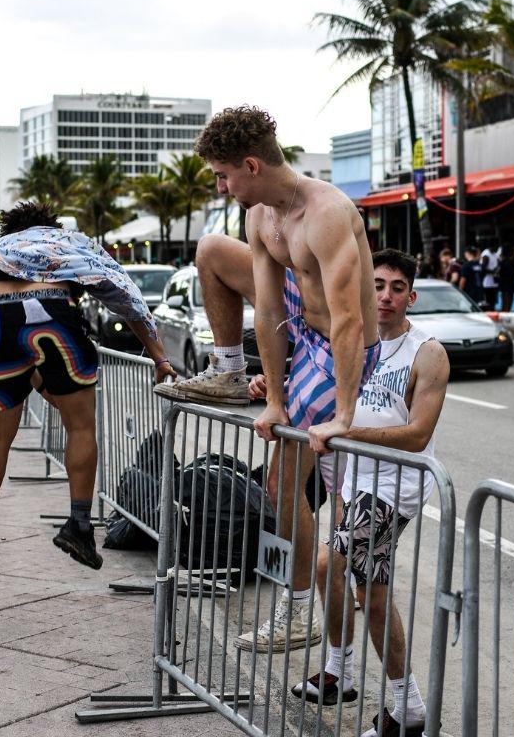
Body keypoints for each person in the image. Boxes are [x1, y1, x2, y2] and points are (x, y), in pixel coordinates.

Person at [154, 106, 380, 649]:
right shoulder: (260, 217)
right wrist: (275, 399)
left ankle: (303, 610)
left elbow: (350, 320)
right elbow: (272, 312)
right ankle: (228, 370)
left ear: (251, 165)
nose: (220, 185)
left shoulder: (326, 213)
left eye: (223, 175)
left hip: (343, 348)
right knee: (210, 250)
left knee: (302, 487)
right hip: (303, 334)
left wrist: (344, 415)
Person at [0, 201, 176, 576]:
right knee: (81, 427)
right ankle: (79, 527)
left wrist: (36, 378)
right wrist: (159, 357)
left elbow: (18, 331)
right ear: (52, 227)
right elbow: (126, 297)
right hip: (53, 309)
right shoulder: (69, 242)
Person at [281, 249, 450, 737]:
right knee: (354, 585)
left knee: (352, 583)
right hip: (354, 483)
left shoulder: (427, 353)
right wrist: (270, 388)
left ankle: (405, 706)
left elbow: (417, 434)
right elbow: (316, 387)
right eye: (377, 285)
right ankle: (342, 674)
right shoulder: (355, 342)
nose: (386, 296)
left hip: (393, 489)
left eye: (397, 288)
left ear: (411, 296)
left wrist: (348, 434)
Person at [479, 242, 500, 309]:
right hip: (487, 283)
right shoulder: (486, 254)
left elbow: (498, 263)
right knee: (488, 302)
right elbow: (483, 268)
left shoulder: (495, 254)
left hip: (494, 282)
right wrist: (493, 271)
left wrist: (497, 269)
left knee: (493, 302)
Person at [497, 246, 514, 312]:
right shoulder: (509, 262)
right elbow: (512, 276)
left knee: (505, 306)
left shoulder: (502, 262)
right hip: (508, 287)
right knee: (507, 306)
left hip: (505, 287)